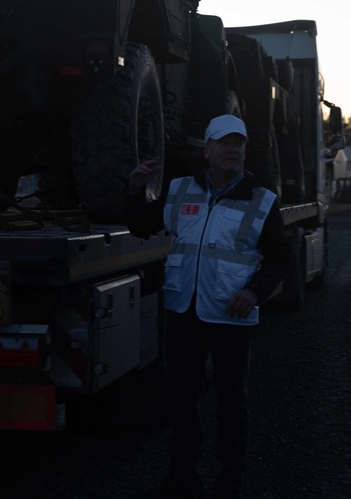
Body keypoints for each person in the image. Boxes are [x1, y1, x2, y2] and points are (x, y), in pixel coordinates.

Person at [126, 114, 290, 499]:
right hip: (184, 312)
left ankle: (229, 482)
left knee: (232, 403)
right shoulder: (181, 190)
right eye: (224, 142)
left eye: (239, 143)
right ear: (207, 150)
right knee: (182, 399)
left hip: (231, 317)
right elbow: (140, 226)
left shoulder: (262, 199)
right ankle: (183, 476)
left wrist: (253, 293)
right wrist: (134, 189)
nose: (233, 149)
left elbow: (281, 257)